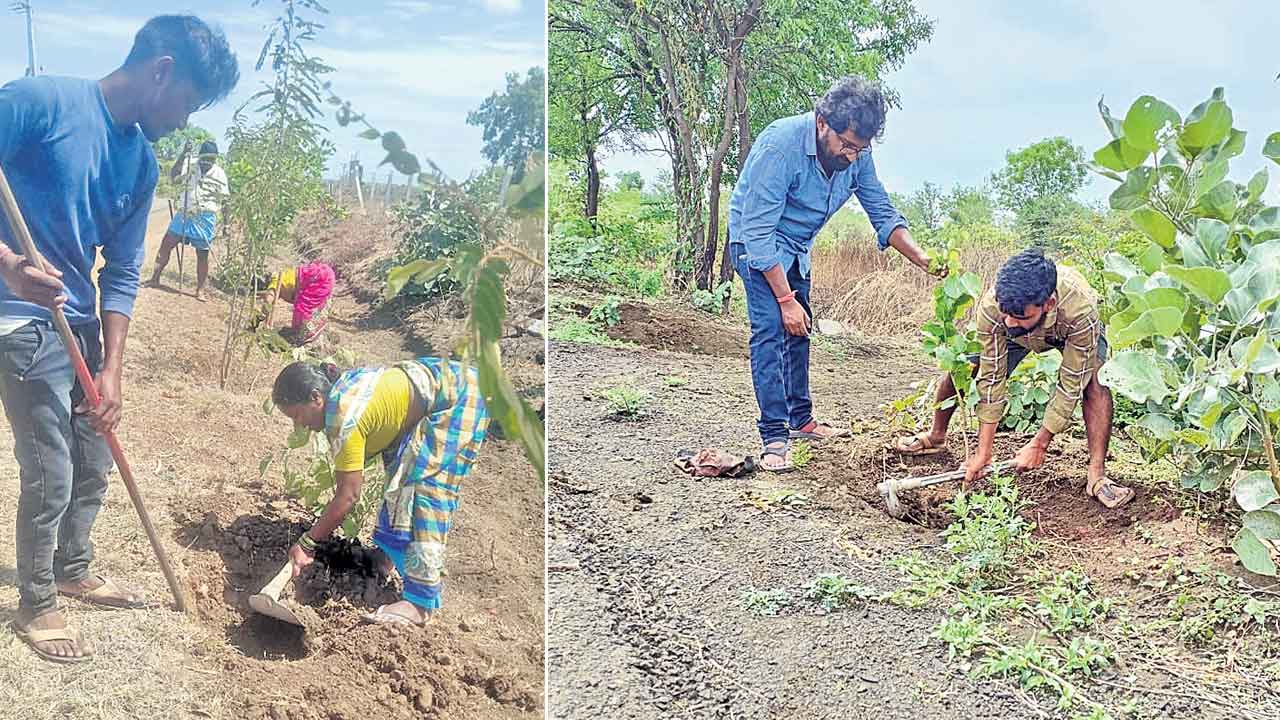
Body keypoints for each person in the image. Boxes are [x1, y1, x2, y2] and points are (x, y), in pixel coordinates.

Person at [0, 15, 238, 663]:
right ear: (161, 70)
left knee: (94, 459)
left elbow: (125, 273)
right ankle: (38, 600)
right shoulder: (37, 101)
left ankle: (74, 566)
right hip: (19, 318)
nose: (187, 118)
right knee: (50, 467)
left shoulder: (141, 163)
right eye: (189, 101)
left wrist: (113, 373)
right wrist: (8, 266)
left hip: (79, 320)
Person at [728, 75, 942, 472]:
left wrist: (922, 258)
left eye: (860, 149)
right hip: (756, 244)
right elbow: (757, 230)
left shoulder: (856, 155)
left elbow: (880, 209)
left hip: (796, 248)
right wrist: (785, 299)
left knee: (799, 331)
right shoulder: (781, 146)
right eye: (846, 145)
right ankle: (774, 435)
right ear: (822, 122)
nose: (851, 156)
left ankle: (801, 420)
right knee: (773, 329)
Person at [891, 248, 1132, 509]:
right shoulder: (996, 308)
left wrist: (1040, 444)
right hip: (1021, 331)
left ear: (1048, 304)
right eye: (1006, 313)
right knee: (965, 367)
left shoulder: (1080, 311)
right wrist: (983, 452)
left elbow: (1071, 384)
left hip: (1069, 330)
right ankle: (937, 436)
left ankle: (1096, 474)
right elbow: (992, 379)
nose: (1009, 321)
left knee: (1095, 383)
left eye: (1020, 316)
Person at [271, 357, 489, 626]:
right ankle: (387, 559)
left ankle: (420, 604)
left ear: (316, 398)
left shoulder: (342, 419)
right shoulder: (338, 391)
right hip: (438, 389)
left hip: (459, 397)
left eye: (297, 415)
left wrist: (308, 543)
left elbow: (348, 496)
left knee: (425, 492)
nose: (299, 426)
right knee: (399, 486)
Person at [145, 139, 229, 301]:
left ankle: (200, 290)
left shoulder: (220, 174)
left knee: (202, 254)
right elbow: (174, 175)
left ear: (215, 159)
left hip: (205, 217)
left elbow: (226, 201)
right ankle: (154, 278)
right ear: (200, 156)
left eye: (210, 160)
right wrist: (184, 153)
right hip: (184, 213)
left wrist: (226, 224)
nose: (206, 163)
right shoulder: (190, 164)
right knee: (166, 244)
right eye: (204, 159)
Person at [254, 261, 336, 345]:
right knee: (313, 309)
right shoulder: (283, 274)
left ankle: (303, 336)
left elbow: (268, 300)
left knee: (302, 310)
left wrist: (261, 318)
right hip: (321, 274)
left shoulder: (275, 281)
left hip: (319, 279)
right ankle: (313, 331)